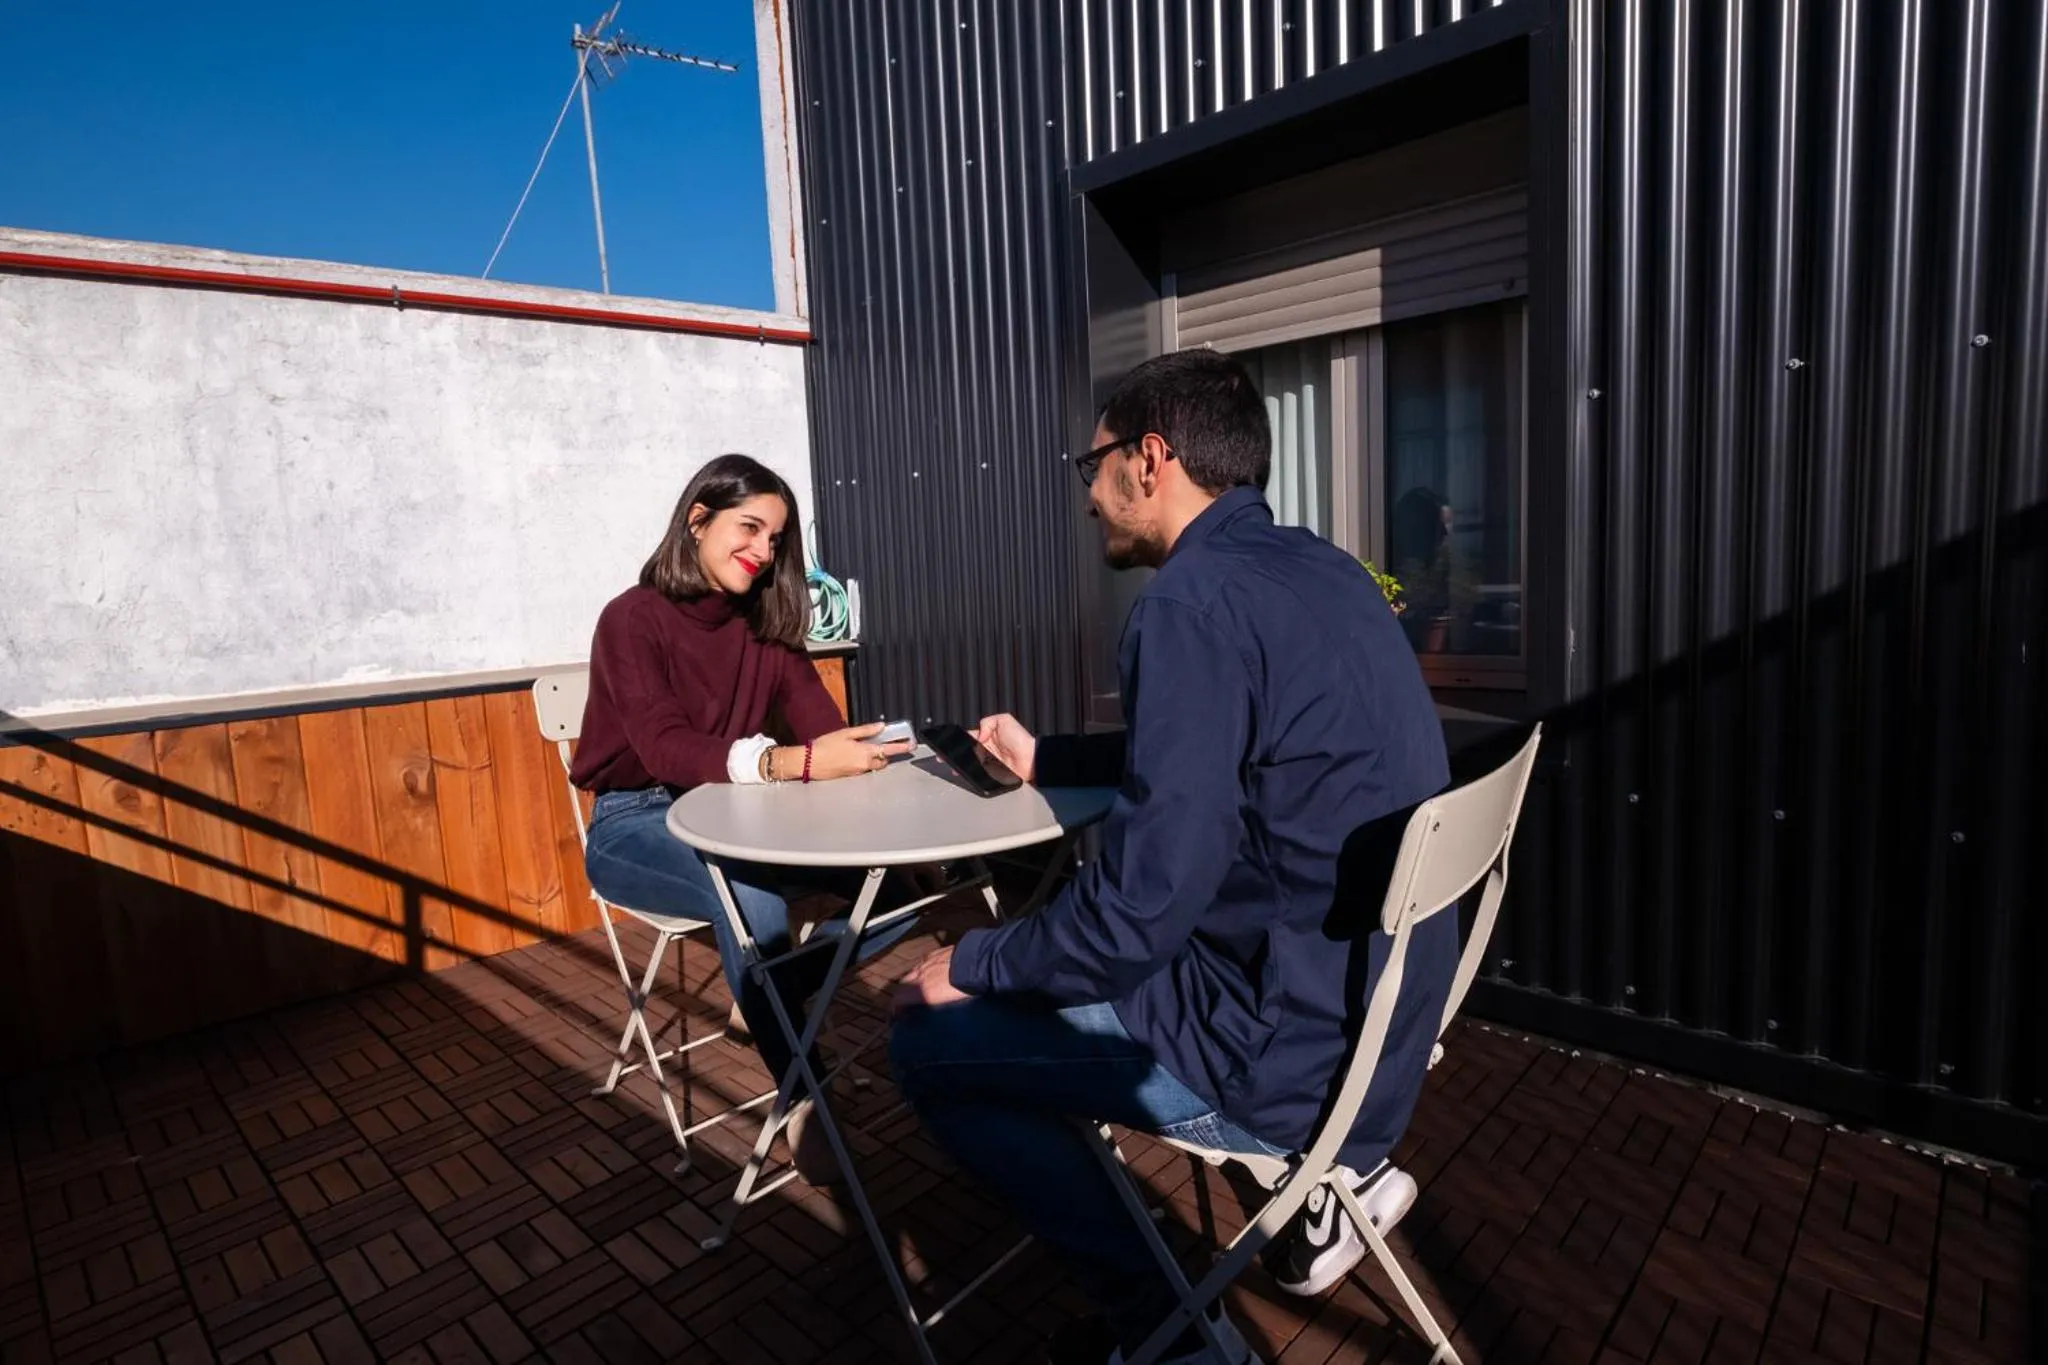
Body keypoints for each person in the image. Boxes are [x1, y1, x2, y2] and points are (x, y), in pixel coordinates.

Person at [888, 350, 1457, 1364]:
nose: (1087, 494)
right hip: (1380, 1020)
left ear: (1148, 460)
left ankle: (1171, 1335)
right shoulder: (1321, 570)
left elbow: (1132, 921)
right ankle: (1317, 1203)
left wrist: (968, 961)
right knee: (1055, 969)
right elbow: (1220, 751)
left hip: (1273, 1053)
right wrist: (1049, 759)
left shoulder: (1185, 608)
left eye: (1091, 464)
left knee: (930, 1046)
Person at [572, 453, 913, 1183]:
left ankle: (766, 989)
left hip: (738, 809)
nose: (763, 552)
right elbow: (664, 746)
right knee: (747, 894)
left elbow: (822, 733)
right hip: (634, 819)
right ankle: (804, 1092)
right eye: (748, 527)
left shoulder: (764, 628)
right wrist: (790, 764)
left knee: (912, 877)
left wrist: (890, 760)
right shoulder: (631, 619)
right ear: (697, 519)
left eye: (776, 539)